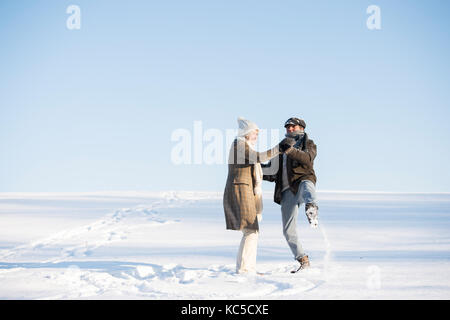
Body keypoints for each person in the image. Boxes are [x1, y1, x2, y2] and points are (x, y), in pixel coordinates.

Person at [223, 117, 285, 275]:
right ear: (246, 133)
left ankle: (246, 268)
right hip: (240, 190)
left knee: (250, 231)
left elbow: (259, 165)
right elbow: (259, 157)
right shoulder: (239, 145)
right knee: (251, 230)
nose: (256, 137)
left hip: (246, 190)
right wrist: (278, 148)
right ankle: (245, 269)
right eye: (254, 134)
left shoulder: (244, 145)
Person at [262, 117, 319, 273]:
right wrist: (254, 168)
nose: (290, 129)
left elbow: (307, 159)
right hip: (287, 191)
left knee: (307, 186)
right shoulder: (281, 147)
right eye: (287, 127)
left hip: (301, 180)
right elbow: (272, 172)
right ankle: (303, 259)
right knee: (288, 231)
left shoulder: (308, 143)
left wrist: (290, 150)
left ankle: (311, 207)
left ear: (301, 127)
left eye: (293, 126)